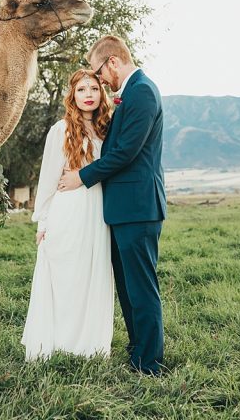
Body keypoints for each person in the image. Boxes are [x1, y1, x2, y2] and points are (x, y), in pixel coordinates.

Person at [58, 35, 166, 375]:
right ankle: (137, 352)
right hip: (122, 210)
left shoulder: (143, 92)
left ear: (113, 63)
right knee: (127, 288)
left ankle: (149, 363)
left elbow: (125, 153)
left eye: (99, 72)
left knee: (141, 289)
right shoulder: (130, 93)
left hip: (138, 208)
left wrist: (82, 176)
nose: (100, 80)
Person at [21, 69, 115, 360]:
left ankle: (88, 346)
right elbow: (48, 179)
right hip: (69, 211)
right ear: (72, 96)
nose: (88, 95)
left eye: (94, 89)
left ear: (102, 94)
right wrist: (43, 221)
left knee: (93, 277)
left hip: (98, 214)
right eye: (82, 90)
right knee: (67, 278)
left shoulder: (106, 129)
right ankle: (58, 343)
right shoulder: (61, 130)